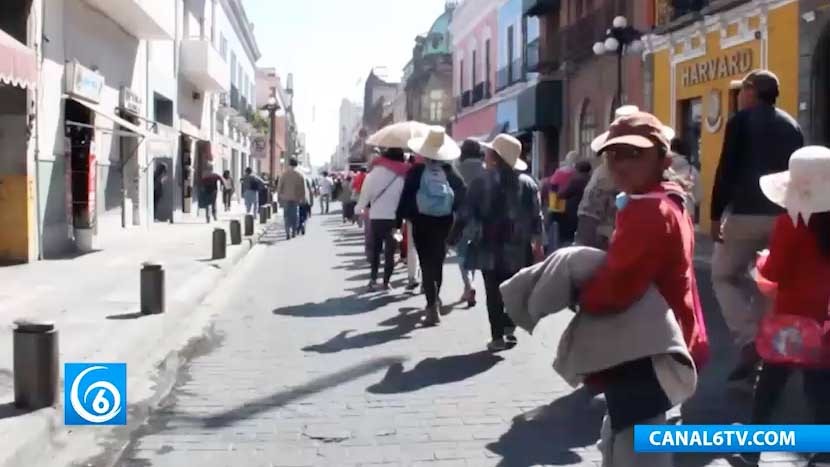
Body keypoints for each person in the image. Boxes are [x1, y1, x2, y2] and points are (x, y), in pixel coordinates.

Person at [579, 112, 709, 467]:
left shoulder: (648, 210)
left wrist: (580, 293)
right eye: (613, 154)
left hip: (644, 347)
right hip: (663, 340)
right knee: (631, 430)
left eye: (633, 154)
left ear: (663, 159)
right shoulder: (667, 199)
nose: (619, 163)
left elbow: (618, 285)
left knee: (636, 443)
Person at [733, 146, 830, 466]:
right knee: (819, 386)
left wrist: (762, 262)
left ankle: (752, 447)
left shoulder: (791, 224)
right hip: (825, 318)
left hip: (792, 320)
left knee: (770, 384)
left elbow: (774, 271)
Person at [710, 69, 804, 385]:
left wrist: (715, 214)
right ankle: (763, 343)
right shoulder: (792, 125)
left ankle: (749, 338)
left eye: (741, 90)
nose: (738, 96)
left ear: (751, 91)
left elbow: (726, 169)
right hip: (782, 216)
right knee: (769, 283)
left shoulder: (740, 121)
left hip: (745, 214)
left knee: (723, 275)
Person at [452, 134, 543, 350]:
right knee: (514, 290)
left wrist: (453, 237)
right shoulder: (528, 183)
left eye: (489, 151)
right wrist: (538, 244)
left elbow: (465, 214)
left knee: (493, 292)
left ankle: (497, 337)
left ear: (494, 156)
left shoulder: (480, 183)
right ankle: (509, 324)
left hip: (488, 246)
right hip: (518, 247)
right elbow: (536, 217)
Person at [399, 127, 466, 325]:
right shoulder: (450, 172)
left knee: (426, 262)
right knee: (437, 262)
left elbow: (405, 197)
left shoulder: (416, 171)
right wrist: (457, 222)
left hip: (421, 222)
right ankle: (435, 298)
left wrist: (402, 219)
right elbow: (462, 196)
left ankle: (431, 306)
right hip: (444, 222)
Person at [356, 148, 409, 291]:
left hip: (376, 219)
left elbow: (364, 197)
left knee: (376, 250)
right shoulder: (401, 176)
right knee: (390, 252)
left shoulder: (372, 175)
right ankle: (386, 282)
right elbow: (403, 199)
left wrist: (358, 211)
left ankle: (373, 279)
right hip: (395, 221)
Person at [454, 139, 485, 307]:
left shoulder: (457, 168)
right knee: (473, 251)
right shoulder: (485, 169)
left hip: (460, 216)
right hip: (481, 217)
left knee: (461, 252)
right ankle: (469, 286)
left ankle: (468, 284)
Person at [543, 150, 579, 251]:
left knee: (559, 234)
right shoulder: (577, 174)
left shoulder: (559, 172)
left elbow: (552, 186)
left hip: (558, 205)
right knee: (570, 234)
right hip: (573, 208)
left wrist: (552, 203)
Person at [557, 160, 592, 246]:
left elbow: (562, 194)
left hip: (573, 211)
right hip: (587, 211)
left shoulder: (576, 180)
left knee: (569, 236)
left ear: (578, 169)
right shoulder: (591, 179)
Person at [277, 158, 306, 239]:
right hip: (296, 198)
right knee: (295, 216)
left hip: (285, 198)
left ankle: (287, 233)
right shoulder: (299, 175)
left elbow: (279, 187)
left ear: (289, 164)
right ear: (296, 165)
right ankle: (293, 231)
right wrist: (303, 198)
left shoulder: (284, 174)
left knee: (286, 216)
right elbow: (302, 189)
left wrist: (279, 197)